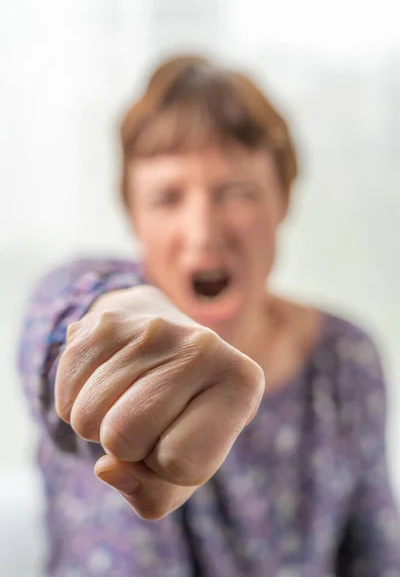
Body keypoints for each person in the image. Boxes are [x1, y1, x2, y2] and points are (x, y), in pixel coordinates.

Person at [18, 55, 400, 577]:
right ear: (133, 216)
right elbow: (61, 334)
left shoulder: (346, 359)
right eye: (166, 198)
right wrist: (114, 324)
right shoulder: (79, 297)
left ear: (283, 199)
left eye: (236, 193)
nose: (202, 231)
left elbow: (375, 555)